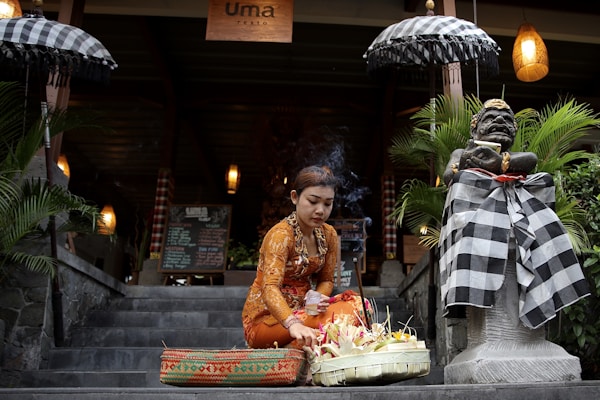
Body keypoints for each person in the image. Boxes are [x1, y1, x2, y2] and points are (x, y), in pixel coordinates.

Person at [241, 165, 368, 349]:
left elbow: (326, 280)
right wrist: (293, 323)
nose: (320, 210)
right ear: (295, 197)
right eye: (313, 201)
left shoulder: (329, 235)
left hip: (306, 312)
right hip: (267, 321)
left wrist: (317, 296)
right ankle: (296, 342)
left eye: (327, 203)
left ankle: (296, 345)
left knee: (359, 306)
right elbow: (269, 288)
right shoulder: (281, 235)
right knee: (335, 323)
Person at [443, 98, 538, 186]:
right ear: (474, 131)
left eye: (507, 119)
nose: (500, 120)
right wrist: (461, 167)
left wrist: (501, 163)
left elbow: (531, 159)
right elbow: (448, 177)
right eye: (489, 119)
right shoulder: (461, 153)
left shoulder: (514, 156)